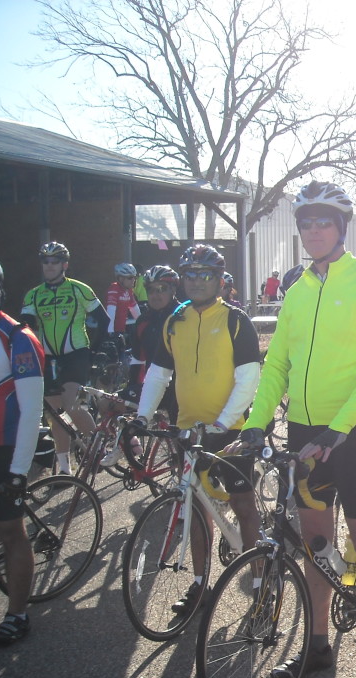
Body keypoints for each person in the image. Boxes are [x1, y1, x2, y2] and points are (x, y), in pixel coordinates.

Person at [229, 181, 356, 678]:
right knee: (317, 543)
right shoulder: (299, 289)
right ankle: (319, 643)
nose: (312, 231)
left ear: (341, 227)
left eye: (322, 222)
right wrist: (256, 422)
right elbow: (277, 361)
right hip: (306, 432)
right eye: (305, 223)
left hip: (355, 429)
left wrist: (340, 427)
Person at [134, 243, 263, 614]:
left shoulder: (236, 321)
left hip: (230, 429)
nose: (196, 282)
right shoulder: (175, 319)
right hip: (188, 431)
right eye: (190, 275)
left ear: (220, 281)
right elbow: (158, 374)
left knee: (242, 503)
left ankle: (258, 579)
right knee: (195, 505)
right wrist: (143, 417)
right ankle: (199, 583)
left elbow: (248, 377)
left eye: (205, 275)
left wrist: (224, 420)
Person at [0, 255, 45, 647]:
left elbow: (31, 409)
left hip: (2, 448)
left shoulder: (17, 337)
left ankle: (17, 615)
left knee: (10, 531)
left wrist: (19, 470)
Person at [20, 242, 108, 474]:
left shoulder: (79, 289)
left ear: (64, 264)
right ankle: (64, 469)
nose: (49, 266)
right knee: (55, 414)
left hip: (76, 354)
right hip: (47, 358)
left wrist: (95, 350)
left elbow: (104, 320)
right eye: (45, 262)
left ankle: (97, 449)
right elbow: (25, 329)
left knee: (72, 403)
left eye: (55, 262)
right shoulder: (34, 295)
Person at [100, 265, 181, 467]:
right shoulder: (143, 321)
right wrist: (133, 391)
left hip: (182, 389)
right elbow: (138, 361)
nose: (156, 294)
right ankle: (126, 443)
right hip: (154, 385)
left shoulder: (184, 316)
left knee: (182, 452)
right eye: (151, 289)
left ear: (173, 291)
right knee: (107, 402)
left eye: (162, 288)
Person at [104, 262, 141, 341]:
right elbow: (111, 311)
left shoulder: (129, 290)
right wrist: (110, 332)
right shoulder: (114, 289)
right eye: (130, 278)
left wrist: (142, 326)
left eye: (134, 277)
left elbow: (134, 309)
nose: (133, 280)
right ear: (120, 278)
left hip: (121, 330)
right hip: (111, 331)